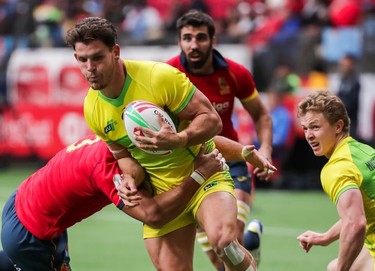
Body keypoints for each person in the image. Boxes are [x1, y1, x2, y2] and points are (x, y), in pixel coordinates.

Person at [65, 17, 276, 271]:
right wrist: (130, 179)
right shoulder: (92, 108)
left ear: (115, 52)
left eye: (97, 57)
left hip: (206, 175)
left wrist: (179, 139)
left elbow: (212, 121)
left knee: (225, 242)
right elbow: (124, 158)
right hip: (164, 195)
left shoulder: (159, 77)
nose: (90, 68)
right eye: (82, 60)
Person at [0, 133, 270, 271]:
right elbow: (153, 215)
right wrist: (199, 176)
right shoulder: (111, 173)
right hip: (31, 234)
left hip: (25, 204)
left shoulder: (121, 139)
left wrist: (246, 153)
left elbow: (202, 140)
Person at [166, 9, 273, 269]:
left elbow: (261, 114)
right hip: (190, 167)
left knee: (229, 240)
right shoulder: (167, 74)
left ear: (213, 41)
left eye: (201, 38)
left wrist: (266, 150)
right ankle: (252, 256)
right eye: (187, 37)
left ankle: (244, 245)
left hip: (232, 162)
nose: (194, 44)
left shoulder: (235, 74)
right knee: (220, 259)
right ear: (179, 40)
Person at [296, 91, 375, 270]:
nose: (308, 135)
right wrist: (325, 237)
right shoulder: (364, 151)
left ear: (338, 126)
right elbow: (358, 210)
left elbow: (355, 222)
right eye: (305, 128)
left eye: (315, 127)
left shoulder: (336, 168)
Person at [336, 53, 361, 139]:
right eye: (342, 64)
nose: (343, 67)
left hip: (350, 122)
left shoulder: (354, 82)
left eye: (346, 65)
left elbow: (351, 103)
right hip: (343, 121)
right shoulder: (343, 80)